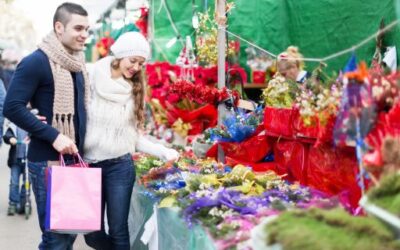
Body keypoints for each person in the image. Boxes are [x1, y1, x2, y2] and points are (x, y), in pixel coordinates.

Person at [3, 2, 90, 249]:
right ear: (59, 27)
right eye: (79, 28)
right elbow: (12, 106)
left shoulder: (77, 64)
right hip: (47, 162)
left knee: (68, 233)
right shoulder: (36, 62)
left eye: (87, 29)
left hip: (73, 160)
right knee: (56, 239)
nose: (85, 34)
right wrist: (53, 135)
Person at [83, 31, 179, 250]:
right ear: (120, 55)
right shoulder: (91, 77)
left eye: (141, 63)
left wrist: (163, 151)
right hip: (89, 165)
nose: (136, 67)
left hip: (120, 167)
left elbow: (134, 138)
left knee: (118, 230)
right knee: (91, 232)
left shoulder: (134, 89)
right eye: (133, 60)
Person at [3, 121, 28, 216]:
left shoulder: (32, 125)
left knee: (26, 183)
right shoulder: (14, 125)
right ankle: (13, 203)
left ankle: (24, 202)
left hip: (28, 160)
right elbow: (7, 135)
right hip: (15, 160)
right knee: (14, 183)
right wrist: (10, 138)